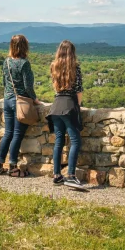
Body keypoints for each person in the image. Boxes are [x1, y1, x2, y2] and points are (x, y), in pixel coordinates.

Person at [0, 35, 41, 177]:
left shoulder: (7, 62)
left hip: (7, 99)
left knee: (8, 133)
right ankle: (13, 167)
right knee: (17, 134)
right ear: (24, 47)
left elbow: (4, 81)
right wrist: (34, 99)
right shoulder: (24, 63)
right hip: (20, 101)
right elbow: (28, 86)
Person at [47, 40, 84, 188]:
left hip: (56, 106)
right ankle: (71, 175)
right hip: (69, 104)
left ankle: (57, 175)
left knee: (59, 141)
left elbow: (56, 89)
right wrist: (77, 107)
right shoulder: (75, 67)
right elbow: (79, 90)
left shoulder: (53, 66)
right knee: (75, 141)